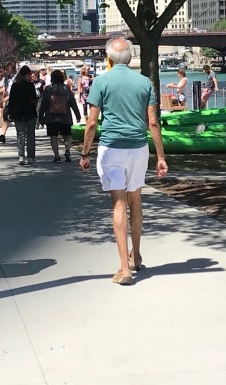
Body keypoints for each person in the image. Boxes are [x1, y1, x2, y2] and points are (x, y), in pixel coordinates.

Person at [79, 37, 167, 285]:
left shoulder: (100, 82)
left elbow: (92, 122)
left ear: (109, 58)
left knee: (119, 203)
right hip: (138, 148)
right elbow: (152, 122)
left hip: (111, 148)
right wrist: (160, 156)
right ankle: (136, 256)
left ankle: (123, 268)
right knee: (135, 200)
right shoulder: (144, 82)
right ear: (129, 58)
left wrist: (85, 153)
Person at [39, 69, 81, 162]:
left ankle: (57, 156)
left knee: (53, 136)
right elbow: (73, 103)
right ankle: (67, 150)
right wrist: (77, 115)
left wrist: (41, 117)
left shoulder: (48, 89)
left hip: (51, 117)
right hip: (65, 116)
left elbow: (44, 104)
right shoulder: (66, 88)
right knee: (67, 135)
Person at [6, 65, 38, 165]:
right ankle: (31, 157)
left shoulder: (15, 85)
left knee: (20, 135)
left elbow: (11, 100)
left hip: (18, 112)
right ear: (25, 75)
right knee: (30, 135)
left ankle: (21, 156)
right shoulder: (30, 85)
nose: (30, 76)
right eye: (29, 74)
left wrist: (10, 112)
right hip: (30, 112)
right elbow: (34, 98)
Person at [0, 61, 16, 143]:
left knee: (15, 117)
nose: (5, 71)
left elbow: (16, 91)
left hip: (15, 99)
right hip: (8, 99)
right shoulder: (6, 78)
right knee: (6, 116)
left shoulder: (16, 78)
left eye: (7, 69)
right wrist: (2, 99)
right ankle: (2, 135)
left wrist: (7, 98)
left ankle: (21, 134)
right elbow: (6, 89)